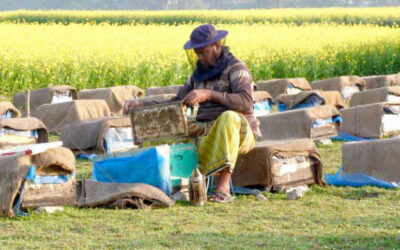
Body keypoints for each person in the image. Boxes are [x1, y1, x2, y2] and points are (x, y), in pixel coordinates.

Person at [124, 24, 257, 203]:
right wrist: (141, 103)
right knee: (171, 123)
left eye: (204, 52)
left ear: (217, 46)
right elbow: (176, 102)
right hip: (205, 128)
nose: (200, 58)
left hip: (240, 131)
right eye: (198, 54)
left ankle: (223, 187)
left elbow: (246, 102)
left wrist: (209, 95)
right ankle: (165, 183)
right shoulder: (197, 75)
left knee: (229, 118)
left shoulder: (236, 68)